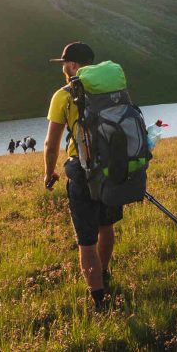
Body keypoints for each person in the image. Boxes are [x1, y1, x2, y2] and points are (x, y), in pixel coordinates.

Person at [43, 41, 122, 311]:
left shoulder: (64, 95)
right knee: (106, 227)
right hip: (112, 166)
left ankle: (98, 298)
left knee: (86, 239)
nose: (63, 68)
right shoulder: (111, 89)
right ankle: (105, 273)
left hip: (82, 170)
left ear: (74, 65)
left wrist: (48, 171)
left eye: (65, 63)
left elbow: (51, 144)